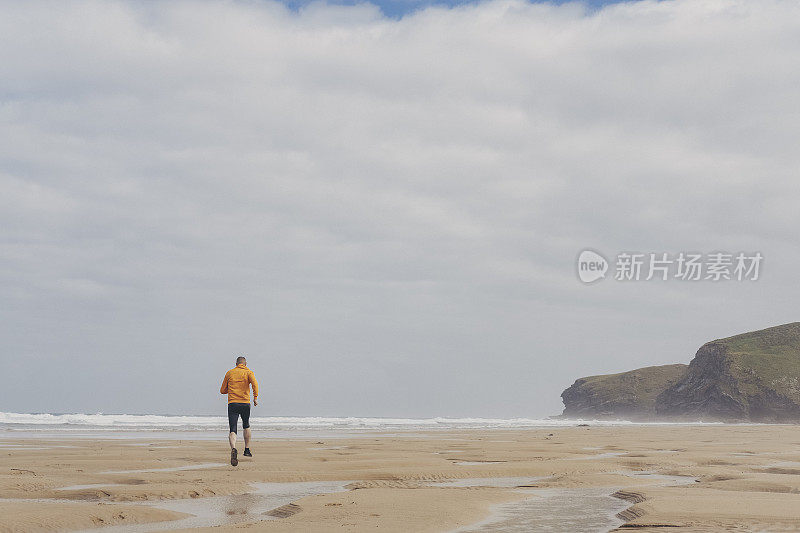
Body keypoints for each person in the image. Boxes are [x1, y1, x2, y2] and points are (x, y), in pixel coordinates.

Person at [220, 356, 259, 466]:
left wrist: (231, 388)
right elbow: (255, 384)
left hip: (233, 403)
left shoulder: (230, 373)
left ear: (236, 363)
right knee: (246, 425)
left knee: (233, 428)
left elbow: (222, 390)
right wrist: (255, 397)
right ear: (245, 364)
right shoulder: (249, 373)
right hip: (245, 403)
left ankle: (233, 448)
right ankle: (247, 450)